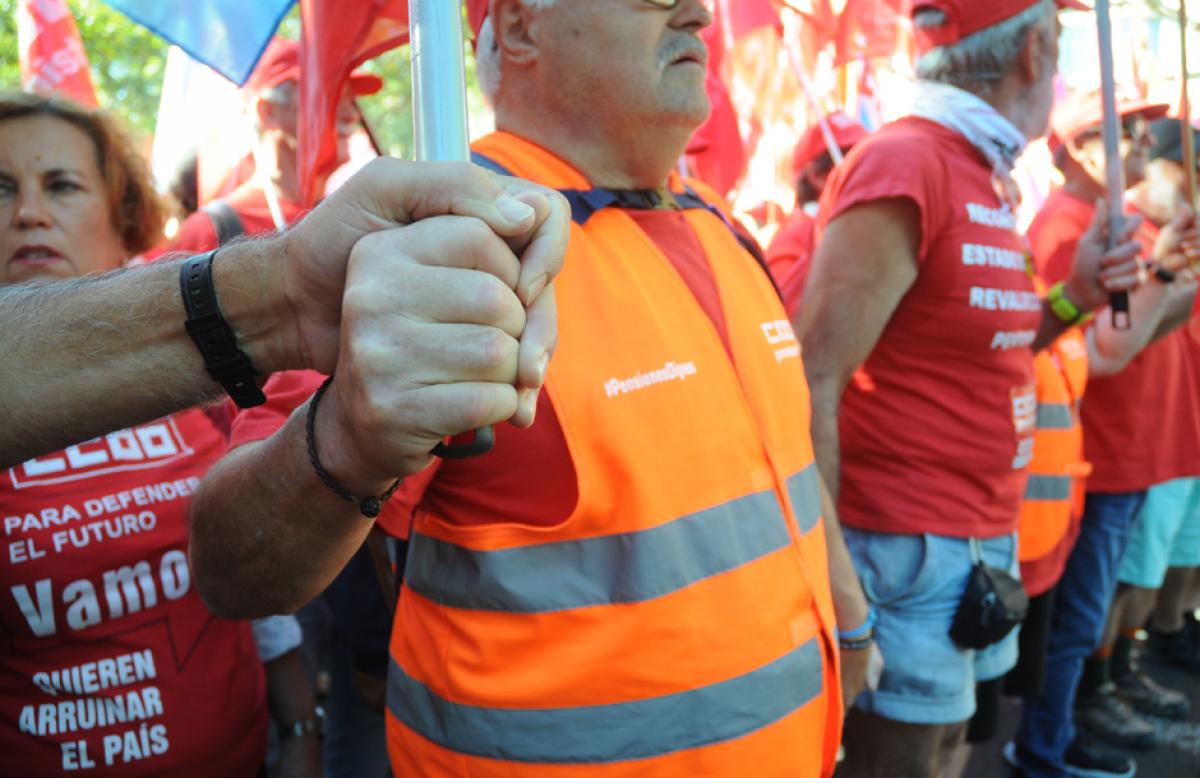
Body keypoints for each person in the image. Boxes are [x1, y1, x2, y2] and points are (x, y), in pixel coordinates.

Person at [189, 0, 861, 775]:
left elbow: (791, 469)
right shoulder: (438, 238)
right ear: (516, 28)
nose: (700, 13)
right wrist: (348, 435)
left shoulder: (719, 225)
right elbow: (237, 566)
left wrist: (852, 624)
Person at [791, 0, 1147, 775]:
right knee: (908, 760)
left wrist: (1073, 297)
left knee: (953, 748)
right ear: (1035, 47)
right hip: (903, 547)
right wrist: (840, 590)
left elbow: (992, 346)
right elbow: (809, 375)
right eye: (1058, 46)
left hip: (976, 540)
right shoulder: (909, 162)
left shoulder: (979, 170)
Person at [0, 91, 324, 776]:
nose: (28, 211)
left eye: (61, 185)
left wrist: (300, 728)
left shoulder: (199, 378)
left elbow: (253, 590)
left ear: (123, 224)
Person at [0, 96, 567, 472]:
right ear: (266, 110)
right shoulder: (211, 227)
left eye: (63, 186)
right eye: (2, 188)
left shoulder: (340, 212)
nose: (29, 213)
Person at [1011, 104, 1200, 777]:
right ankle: (1048, 741)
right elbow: (1106, 351)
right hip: (1100, 452)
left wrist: (1174, 272)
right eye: (1124, 135)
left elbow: (1136, 324)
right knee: (1080, 613)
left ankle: (1067, 723)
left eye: (1142, 136)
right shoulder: (1066, 226)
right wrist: (1167, 276)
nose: (1138, 147)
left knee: (1098, 604)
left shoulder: (1110, 224)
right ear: (1082, 149)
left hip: (1124, 448)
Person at [168, 36, 380, 252]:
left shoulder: (353, 218)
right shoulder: (209, 230)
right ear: (268, 112)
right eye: (328, 98)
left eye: (350, 99)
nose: (352, 115)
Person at [766, 111, 867, 286]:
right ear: (817, 176)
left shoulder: (850, 232)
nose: (869, 171)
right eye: (855, 161)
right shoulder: (792, 245)